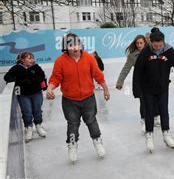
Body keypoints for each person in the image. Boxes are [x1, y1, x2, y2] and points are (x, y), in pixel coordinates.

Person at [47, 33, 111, 164]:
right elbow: (56, 77)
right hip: (70, 100)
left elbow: (98, 75)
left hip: (88, 98)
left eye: (76, 44)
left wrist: (105, 89)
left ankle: (97, 142)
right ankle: (72, 146)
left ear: (81, 44)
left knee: (91, 121)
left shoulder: (89, 58)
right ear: (66, 47)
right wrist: (49, 88)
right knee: (72, 124)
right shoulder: (60, 61)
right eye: (70, 45)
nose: (74, 48)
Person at [133, 30, 174, 153]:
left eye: (160, 45)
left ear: (163, 42)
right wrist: (136, 90)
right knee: (149, 112)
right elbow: (137, 72)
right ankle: (149, 136)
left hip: (163, 87)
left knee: (164, 111)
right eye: (155, 46)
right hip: (147, 88)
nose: (157, 48)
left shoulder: (168, 50)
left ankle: (166, 135)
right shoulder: (145, 52)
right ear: (150, 42)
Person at [116, 35, 160, 133]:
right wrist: (120, 82)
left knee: (155, 99)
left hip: (153, 81)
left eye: (141, 43)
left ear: (145, 43)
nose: (139, 45)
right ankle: (144, 122)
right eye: (137, 43)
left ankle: (156, 117)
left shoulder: (152, 51)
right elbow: (125, 69)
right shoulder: (132, 56)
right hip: (140, 82)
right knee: (143, 102)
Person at [4, 51, 47, 142]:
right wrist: (18, 80)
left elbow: (41, 76)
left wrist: (31, 81)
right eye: (29, 58)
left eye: (32, 58)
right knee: (27, 111)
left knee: (37, 110)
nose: (32, 60)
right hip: (23, 95)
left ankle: (38, 126)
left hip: (36, 93)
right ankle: (29, 128)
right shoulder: (16, 68)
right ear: (23, 60)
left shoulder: (36, 67)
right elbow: (7, 77)